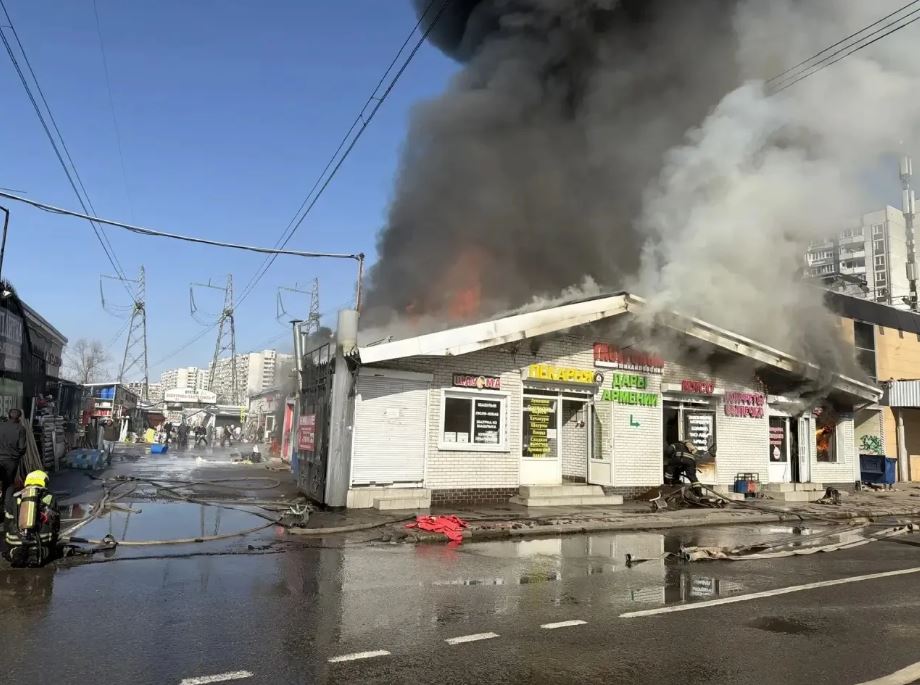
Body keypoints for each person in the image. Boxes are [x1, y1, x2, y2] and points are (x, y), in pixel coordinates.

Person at [3, 469, 60, 568]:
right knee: (49, 552)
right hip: (40, 539)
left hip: (15, 539)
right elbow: (55, 523)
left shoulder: (15, 496)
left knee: (14, 552)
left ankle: (15, 553)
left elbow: (7, 523)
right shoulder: (49, 497)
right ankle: (37, 552)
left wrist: (9, 543)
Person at [0, 408, 27, 503]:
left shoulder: (1, 426)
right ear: (19, 418)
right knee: (8, 484)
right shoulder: (20, 429)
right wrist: (17, 456)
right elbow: (22, 447)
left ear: (8, 416)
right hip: (11, 461)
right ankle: (5, 507)